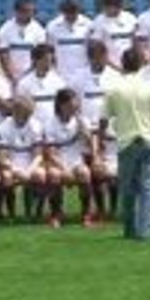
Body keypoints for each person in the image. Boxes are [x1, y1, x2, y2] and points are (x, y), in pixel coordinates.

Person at [103, 48, 150, 241]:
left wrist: (100, 139)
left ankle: (130, 228)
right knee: (148, 187)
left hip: (127, 142)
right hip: (149, 140)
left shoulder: (114, 88)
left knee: (128, 188)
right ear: (141, 64)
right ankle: (145, 230)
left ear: (122, 64)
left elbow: (103, 118)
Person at [75, 40, 122, 219]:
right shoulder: (78, 77)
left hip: (109, 132)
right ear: (89, 58)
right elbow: (75, 106)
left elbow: (119, 106)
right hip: (87, 132)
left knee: (109, 172)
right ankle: (94, 209)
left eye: (101, 56)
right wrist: (82, 126)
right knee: (93, 172)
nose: (98, 60)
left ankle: (113, 208)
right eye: (94, 57)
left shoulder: (115, 77)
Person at [43, 88, 98, 228]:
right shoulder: (50, 123)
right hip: (57, 161)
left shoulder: (82, 121)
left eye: (75, 105)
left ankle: (86, 215)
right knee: (54, 174)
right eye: (69, 105)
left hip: (76, 161)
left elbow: (89, 144)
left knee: (84, 173)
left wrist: (83, 128)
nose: (73, 108)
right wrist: (64, 169)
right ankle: (56, 214)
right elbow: (50, 152)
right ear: (61, 105)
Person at [0, 96, 46, 220]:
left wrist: (28, 171)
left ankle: (35, 211)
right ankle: (11, 213)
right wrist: (16, 170)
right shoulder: (4, 126)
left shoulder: (36, 125)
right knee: (7, 176)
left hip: (30, 164)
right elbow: (2, 157)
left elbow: (38, 155)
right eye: (18, 110)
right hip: (11, 163)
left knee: (40, 175)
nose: (22, 113)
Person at [0, 0, 47, 85]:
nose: (30, 14)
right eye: (26, 11)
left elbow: (40, 55)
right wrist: (11, 76)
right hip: (9, 77)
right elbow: (3, 55)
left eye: (32, 11)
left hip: (31, 75)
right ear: (17, 11)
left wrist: (28, 75)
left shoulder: (39, 30)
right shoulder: (5, 29)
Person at [45, 0, 93, 90]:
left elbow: (91, 50)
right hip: (60, 75)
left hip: (84, 74)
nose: (71, 15)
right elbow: (50, 51)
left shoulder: (88, 25)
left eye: (73, 11)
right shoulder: (52, 26)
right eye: (67, 12)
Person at [15, 44, 67, 125]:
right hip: (33, 127)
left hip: (53, 126)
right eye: (46, 60)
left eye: (51, 61)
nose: (49, 64)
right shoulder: (24, 83)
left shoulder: (59, 82)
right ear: (36, 60)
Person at [91, 0, 139, 70]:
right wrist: (114, 67)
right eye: (106, 7)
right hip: (110, 67)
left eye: (118, 7)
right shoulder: (98, 21)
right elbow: (98, 48)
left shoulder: (130, 18)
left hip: (130, 65)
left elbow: (136, 40)